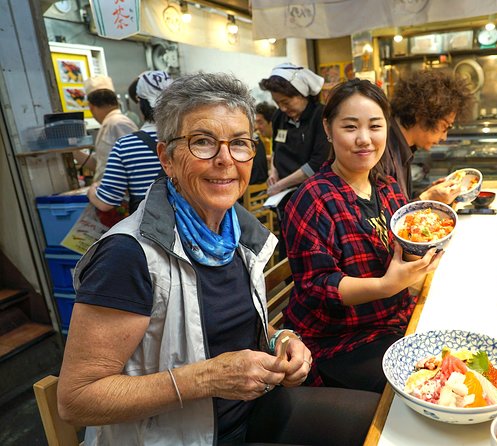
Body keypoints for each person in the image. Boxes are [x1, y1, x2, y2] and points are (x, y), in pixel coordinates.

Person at [58, 72, 379, 445]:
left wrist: (283, 339)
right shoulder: (128, 255)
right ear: (167, 157)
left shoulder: (236, 234)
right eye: (203, 142)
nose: (226, 160)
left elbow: (229, 328)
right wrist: (207, 378)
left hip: (255, 411)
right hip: (182, 436)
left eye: (240, 143)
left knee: (385, 422)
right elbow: (76, 399)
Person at [282, 79, 443, 393]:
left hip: (392, 320)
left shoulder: (388, 188)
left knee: (452, 361)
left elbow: (404, 246)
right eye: (351, 127)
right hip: (337, 340)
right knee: (426, 386)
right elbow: (318, 287)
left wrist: (420, 246)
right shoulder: (312, 199)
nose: (364, 139)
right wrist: (387, 285)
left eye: (375, 126)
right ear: (328, 129)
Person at [381, 69, 474, 202]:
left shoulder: (404, 147)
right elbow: (391, 219)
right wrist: (427, 197)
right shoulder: (382, 149)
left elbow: (400, 202)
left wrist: (429, 193)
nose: (444, 137)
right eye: (445, 126)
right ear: (422, 115)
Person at [87, 70, 172, 213]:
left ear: (140, 102)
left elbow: (106, 202)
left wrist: (92, 191)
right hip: (194, 229)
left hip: (148, 231)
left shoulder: (126, 145)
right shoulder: (193, 139)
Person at [259, 63, 329, 198]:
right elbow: (276, 149)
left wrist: (280, 185)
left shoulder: (320, 117)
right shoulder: (279, 116)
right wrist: (273, 173)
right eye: (277, 103)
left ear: (302, 94)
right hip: (283, 192)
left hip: (314, 192)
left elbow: (317, 163)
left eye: (286, 102)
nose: (282, 108)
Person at [78, 75, 138, 181]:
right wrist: (72, 151)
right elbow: (99, 165)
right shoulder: (109, 124)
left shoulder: (118, 123)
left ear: (91, 107)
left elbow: (135, 163)